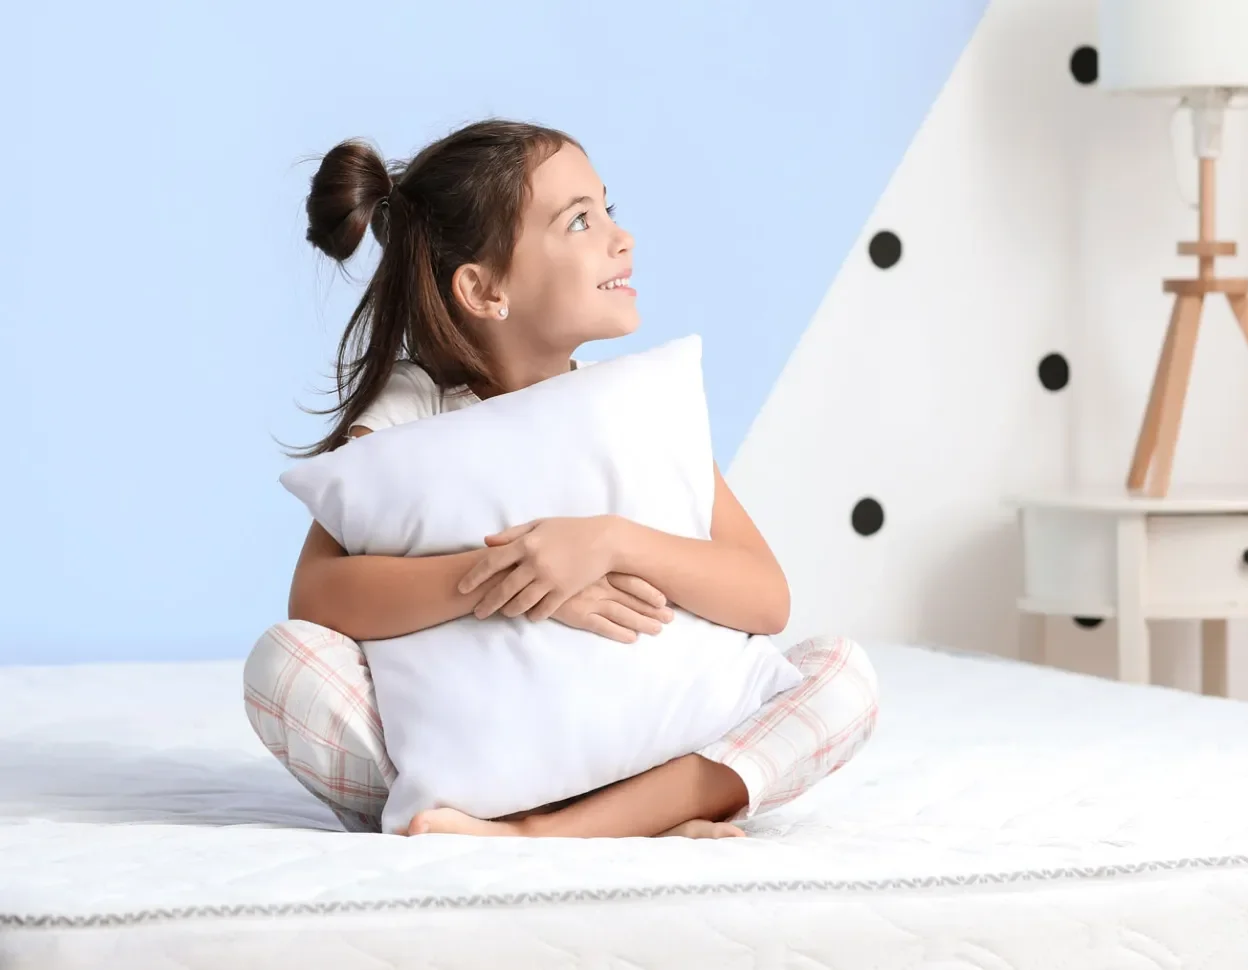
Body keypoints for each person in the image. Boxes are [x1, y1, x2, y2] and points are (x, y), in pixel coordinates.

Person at [244, 118, 878, 841]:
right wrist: (512, 581)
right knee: (285, 667)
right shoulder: (411, 411)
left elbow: (767, 599)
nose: (620, 237)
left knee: (842, 679)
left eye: (609, 208)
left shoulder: (636, 407)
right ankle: (526, 809)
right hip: (477, 736)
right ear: (483, 290)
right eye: (580, 220)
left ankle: (548, 832)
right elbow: (318, 599)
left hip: (644, 742)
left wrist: (607, 545)